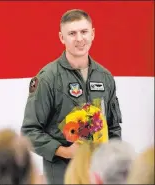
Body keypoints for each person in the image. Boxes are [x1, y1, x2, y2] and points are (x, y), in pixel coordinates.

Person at [21, 9, 122, 184]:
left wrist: (111, 161)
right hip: (62, 174)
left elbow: (113, 128)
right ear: (62, 38)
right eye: (72, 33)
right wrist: (66, 152)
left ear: (93, 33)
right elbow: (29, 132)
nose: (79, 39)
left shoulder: (105, 77)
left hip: (98, 173)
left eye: (84, 32)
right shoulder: (48, 78)